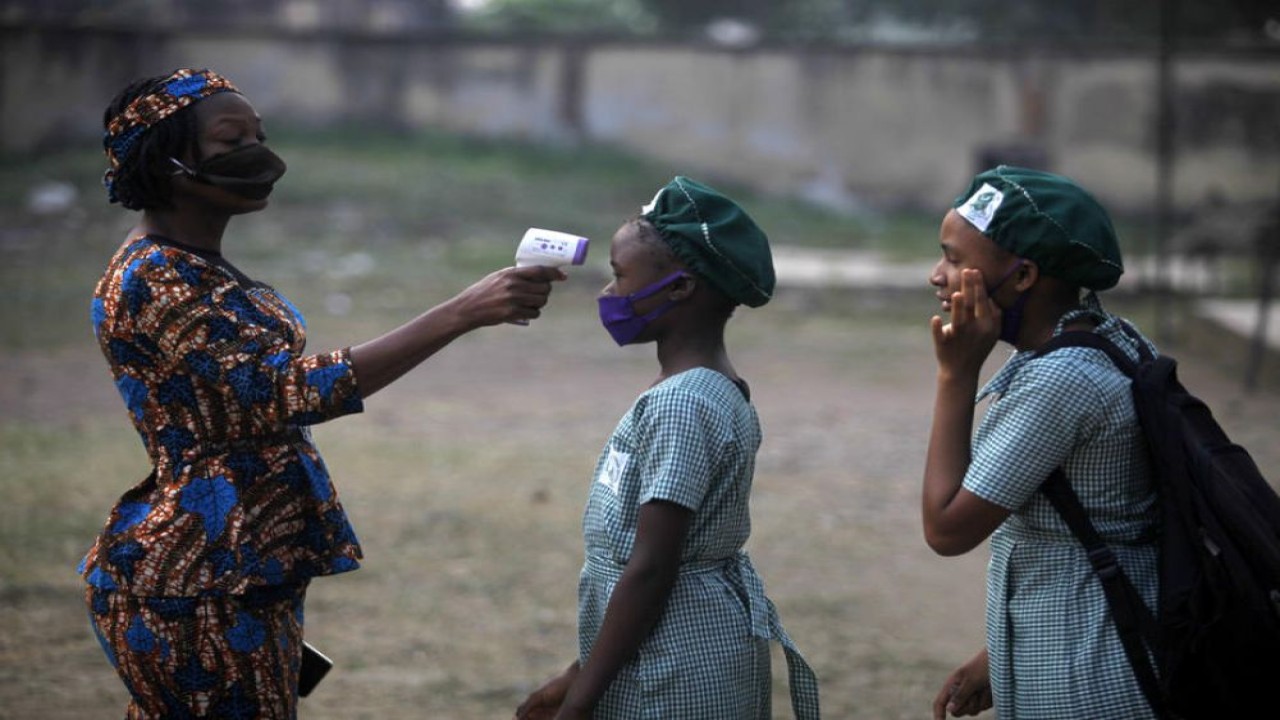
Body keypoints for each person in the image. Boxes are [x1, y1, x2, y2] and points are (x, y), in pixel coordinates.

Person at [82, 67, 564, 718]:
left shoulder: (192, 262)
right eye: (231, 141)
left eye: (259, 134)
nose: (257, 153)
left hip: (244, 564)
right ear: (166, 160)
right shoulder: (155, 277)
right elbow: (285, 392)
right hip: (201, 576)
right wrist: (461, 313)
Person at [514, 177, 820, 719]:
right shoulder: (709, 388)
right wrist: (578, 672)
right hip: (661, 651)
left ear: (678, 289)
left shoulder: (683, 405)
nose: (608, 295)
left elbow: (651, 567)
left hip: (676, 671)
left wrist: (579, 704)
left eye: (618, 276)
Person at [922, 166, 1160, 719]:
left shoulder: (1062, 379)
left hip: (1088, 673)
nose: (938, 276)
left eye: (955, 258)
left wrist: (955, 377)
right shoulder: (1111, 339)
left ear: (1023, 276)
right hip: (1092, 634)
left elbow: (946, 528)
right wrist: (998, 652)